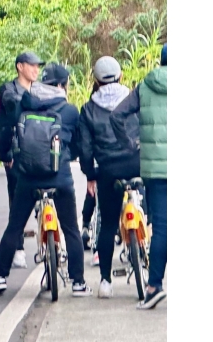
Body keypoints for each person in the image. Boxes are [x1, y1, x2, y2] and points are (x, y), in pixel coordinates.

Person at [0, 64, 92, 297]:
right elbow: (77, 144)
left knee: (15, 227)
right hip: (60, 178)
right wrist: (70, 156)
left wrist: (6, 156)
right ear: (60, 86)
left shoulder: (22, 105)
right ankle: (78, 283)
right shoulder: (69, 111)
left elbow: (7, 134)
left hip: (27, 177)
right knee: (71, 230)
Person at [76, 56, 141, 299]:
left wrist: (90, 176)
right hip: (137, 164)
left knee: (107, 225)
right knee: (153, 211)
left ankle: (105, 281)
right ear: (121, 75)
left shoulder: (89, 109)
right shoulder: (134, 98)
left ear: (95, 80)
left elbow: (85, 149)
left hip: (108, 171)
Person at [111, 44, 167, 310]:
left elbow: (117, 115)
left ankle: (154, 286)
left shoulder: (145, 86)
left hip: (156, 171)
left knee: (163, 229)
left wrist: (130, 143)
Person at [0, 52, 46, 269]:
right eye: (31, 65)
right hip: (16, 154)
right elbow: (9, 115)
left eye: (38, 66)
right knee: (16, 202)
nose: (36, 70)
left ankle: (49, 243)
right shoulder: (8, 90)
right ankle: (17, 248)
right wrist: (5, 153)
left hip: (40, 151)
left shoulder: (40, 89)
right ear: (20, 67)